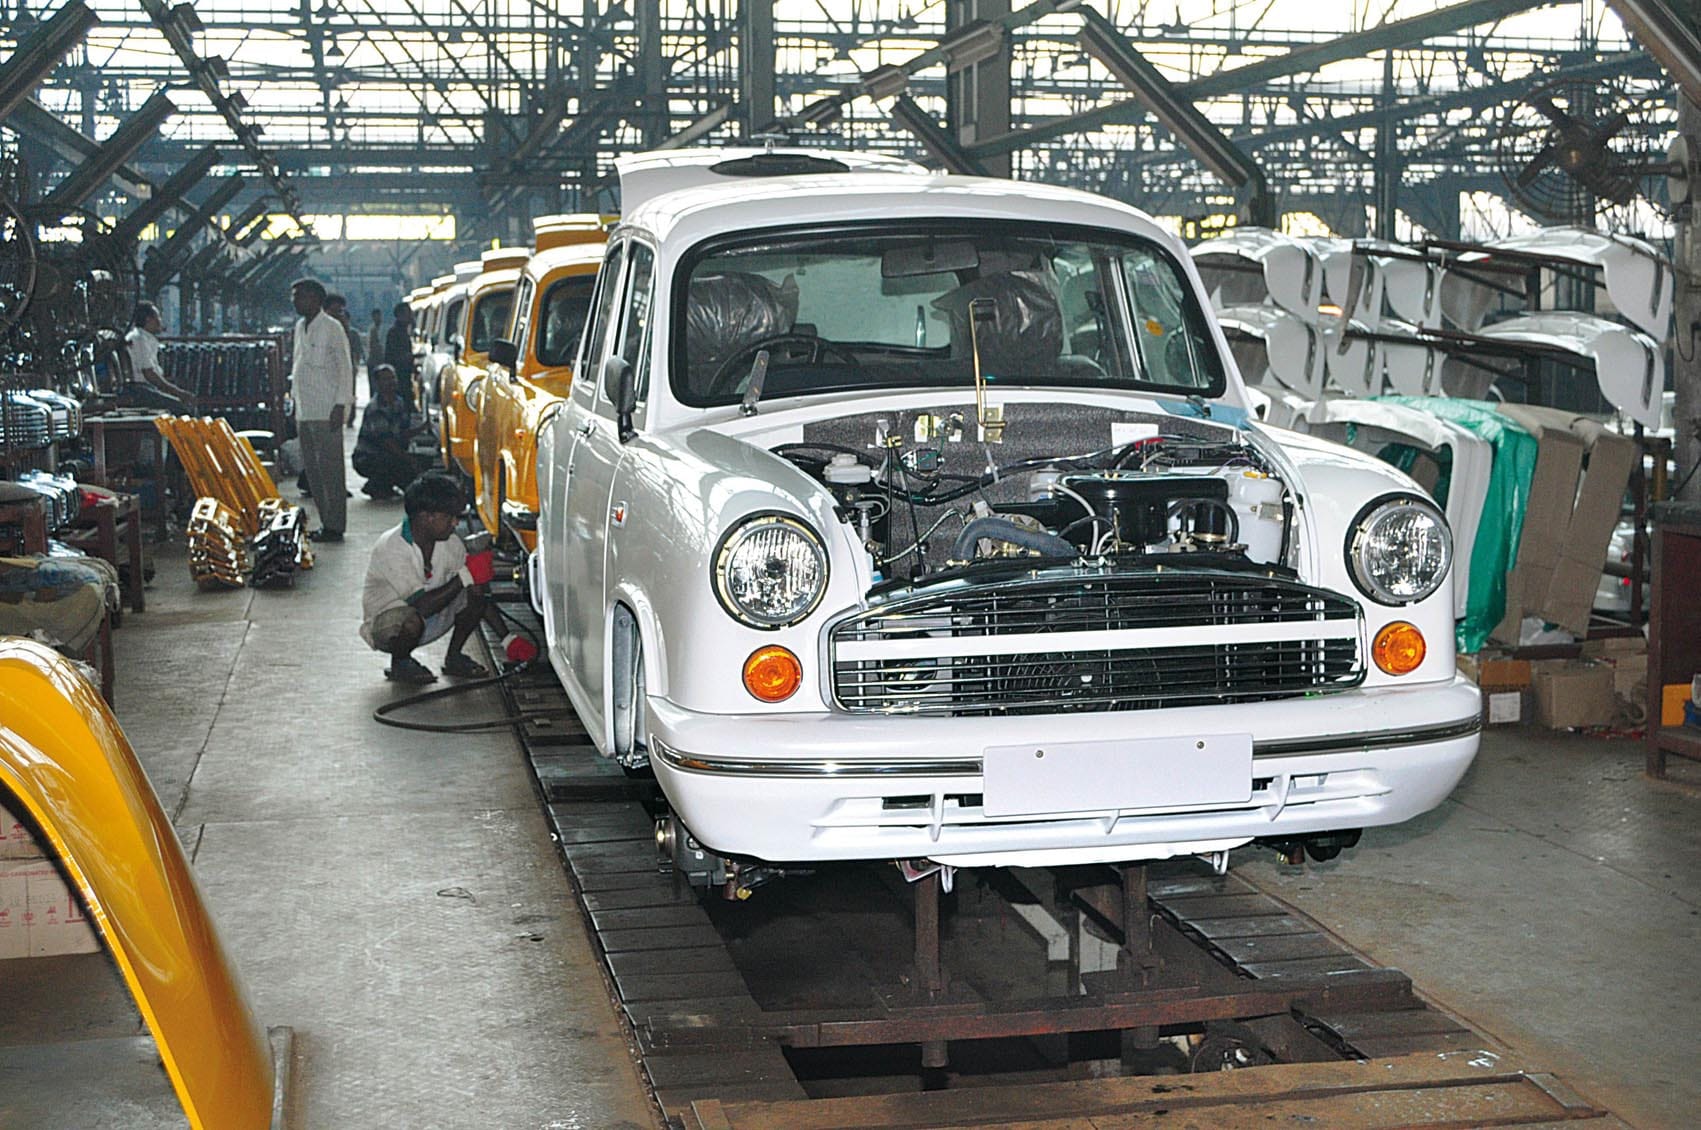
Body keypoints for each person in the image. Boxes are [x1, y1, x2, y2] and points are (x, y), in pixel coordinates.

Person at [359, 472, 494, 684]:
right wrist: (466, 574)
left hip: (428, 616)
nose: (455, 523)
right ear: (425, 516)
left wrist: (508, 639)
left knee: (475, 591)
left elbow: (477, 591)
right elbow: (420, 606)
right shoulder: (392, 546)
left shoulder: (450, 543)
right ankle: (400, 662)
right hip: (390, 626)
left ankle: (454, 657)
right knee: (411, 620)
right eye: (449, 517)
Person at [289, 278, 353, 542]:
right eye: (294, 297)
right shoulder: (299, 327)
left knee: (331, 471)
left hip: (327, 409)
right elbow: (297, 365)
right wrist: (294, 403)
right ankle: (326, 521)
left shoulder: (332, 328)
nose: (295, 301)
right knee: (313, 472)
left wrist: (341, 404)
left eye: (300, 296)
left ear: (315, 299)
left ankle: (335, 525)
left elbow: (345, 367)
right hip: (305, 409)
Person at [353, 365, 427, 499]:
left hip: (389, 451)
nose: (391, 382)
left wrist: (422, 428)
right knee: (394, 463)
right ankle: (377, 486)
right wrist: (408, 459)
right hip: (368, 457)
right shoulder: (376, 408)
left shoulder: (399, 402)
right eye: (386, 379)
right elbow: (386, 442)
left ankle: (387, 484)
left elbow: (402, 432)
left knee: (423, 462)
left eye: (393, 378)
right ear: (377, 383)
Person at [120, 302, 196, 410]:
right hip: (140, 390)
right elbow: (149, 374)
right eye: (158, 317)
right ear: (148, 320)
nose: (160, 321)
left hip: (147, 388)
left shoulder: (143, 337)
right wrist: (178, 393)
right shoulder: (140, 339)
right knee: (181, 408)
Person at [324, 293, 363, 428]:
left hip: (345, 370)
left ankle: (350, 416)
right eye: (334, 311)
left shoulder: (347, 331)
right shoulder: (319, 330)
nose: (337, 315)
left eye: (339, 311)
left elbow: (354, 351)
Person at [384, 301, 418, 415]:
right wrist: (408, 357)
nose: (410, 316)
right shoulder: (394, 333)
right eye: (408, 313)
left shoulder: (404, 332)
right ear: (400, 315)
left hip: (404, 377)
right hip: (398, 377)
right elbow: (393, 356)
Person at [366, 308, 385, 398]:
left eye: (378, 316)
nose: (377, 318)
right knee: (373, 384)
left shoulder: (384, 329)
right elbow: (369, 345)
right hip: (372, 360)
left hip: (382, 360)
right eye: (375, 316)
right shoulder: (371, 329)